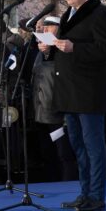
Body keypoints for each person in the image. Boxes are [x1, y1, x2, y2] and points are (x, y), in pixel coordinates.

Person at [43, 0, 106, 211]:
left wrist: (75, 46)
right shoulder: (68, 14)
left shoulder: (101, 13)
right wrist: (49, 49)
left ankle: (97, 196)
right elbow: (66, 51)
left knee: (93, 145)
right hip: (70, 92)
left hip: (89, 92)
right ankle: (85, 193)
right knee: (78, 146)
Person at [32, 16, 77, 182]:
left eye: (50, 27)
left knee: (64, 154)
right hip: (42, 113)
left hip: (59, 114)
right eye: (44, 27)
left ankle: (67, 185)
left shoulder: (65, 50)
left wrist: (49, 52)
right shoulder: (41, 52)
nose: (45, 30)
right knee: (48, 154)